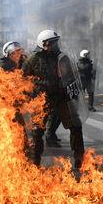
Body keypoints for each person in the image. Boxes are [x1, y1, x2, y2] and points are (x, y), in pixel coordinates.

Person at [23, 29, 85, 169]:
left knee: (75, 125)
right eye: (52, 43)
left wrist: (72, 89)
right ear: (43, 44)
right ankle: (35, 162)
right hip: (43, 99)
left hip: (61, 97)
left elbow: (71, 77)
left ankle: (79, 158)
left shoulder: (62, 58)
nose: (55, 46)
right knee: (37, 131)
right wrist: (40, 86)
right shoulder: (32, 60)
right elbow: (25, 80)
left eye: (56, 43)